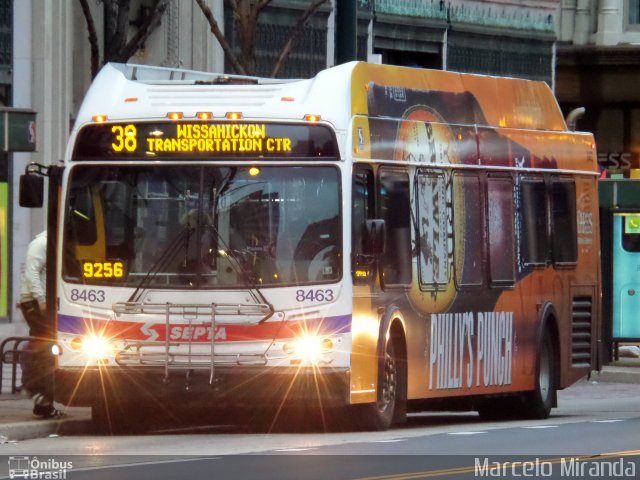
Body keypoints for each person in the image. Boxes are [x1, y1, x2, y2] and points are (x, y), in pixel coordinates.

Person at [19, 230, 63, 418]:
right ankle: (34, 388)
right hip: (35, 302)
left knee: (46, 346)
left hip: (41, 302)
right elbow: (32, 272)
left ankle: (42, 399)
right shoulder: (41, 243)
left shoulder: (54, 243)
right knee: (45, 346)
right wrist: (41, 299)